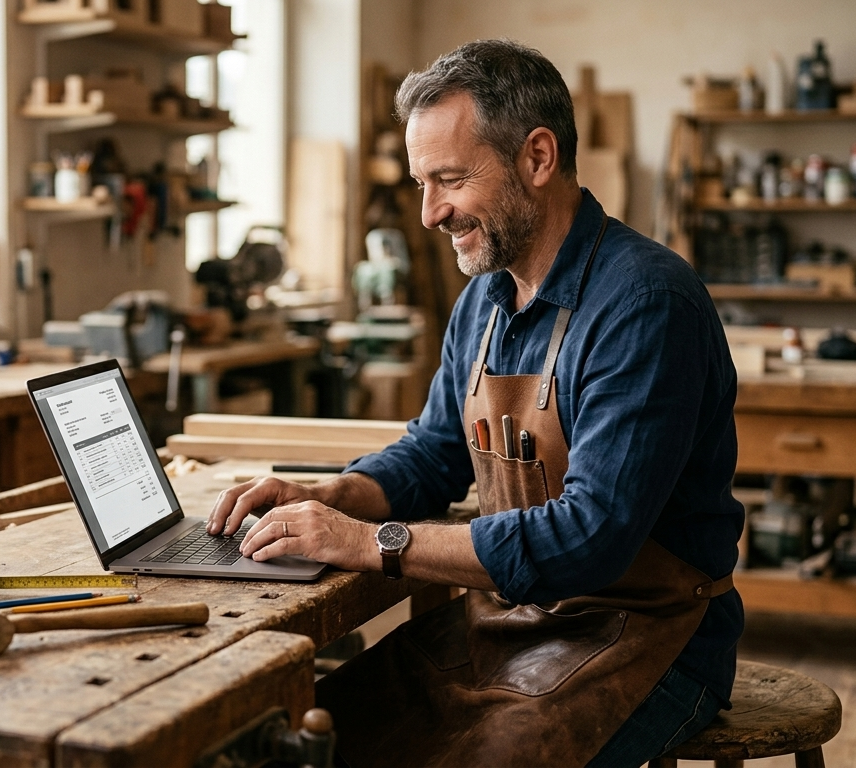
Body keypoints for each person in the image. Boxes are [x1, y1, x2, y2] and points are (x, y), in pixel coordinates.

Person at [206, 38, 744, 768]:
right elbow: (433, 453)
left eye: (450, 180)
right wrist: (328, 495)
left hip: (650, 634)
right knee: (302, 734)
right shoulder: (486, 300)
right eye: (421, 184)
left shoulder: (646, 303)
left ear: (537, 158)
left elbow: (592, 538)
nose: (429, 214)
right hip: (514, 620)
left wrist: (371, 543)